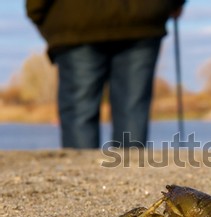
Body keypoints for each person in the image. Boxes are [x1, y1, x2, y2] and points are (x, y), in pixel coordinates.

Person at [26, 0, 185, 148]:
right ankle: (129, 173)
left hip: (77, 19)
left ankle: (83, 173)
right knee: (133, 108)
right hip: (142, 16)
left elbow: (35, 8)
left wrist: (36, 11)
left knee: (79, 112)